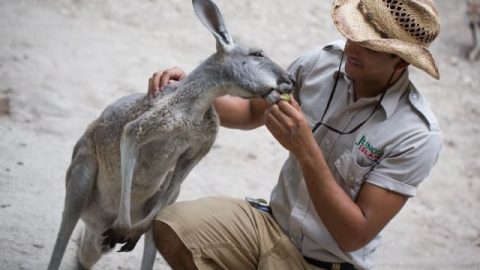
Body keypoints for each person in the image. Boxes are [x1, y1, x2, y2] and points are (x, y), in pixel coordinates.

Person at [148, 0, 442, 269]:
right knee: (173, 227)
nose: (352, 48)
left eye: (370, 46)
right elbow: (251, 112)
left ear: (401, 62)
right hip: (271, 229)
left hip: (327, 263)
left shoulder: (415, 134)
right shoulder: (322, 62)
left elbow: (354, 235)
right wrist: (187, 92)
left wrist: (306, 150)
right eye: (353, 33)